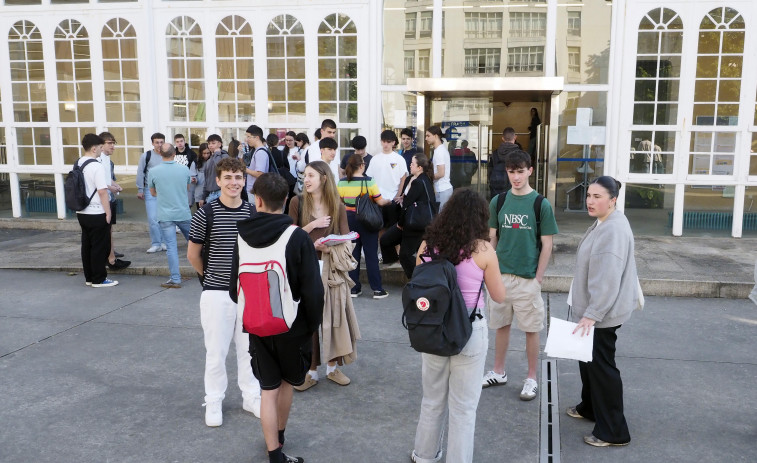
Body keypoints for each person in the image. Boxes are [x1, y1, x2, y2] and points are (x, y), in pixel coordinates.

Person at [229, 173, 323, 463]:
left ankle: (274, 453)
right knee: (286, 385)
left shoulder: (241, 236)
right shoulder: (296, 236)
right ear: (285, 202)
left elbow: (235, 289)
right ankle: (279, 437)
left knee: (267, 390)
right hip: (291, 326)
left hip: (256, 324)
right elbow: (313, 291)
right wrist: (310, 326)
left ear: (256, 200)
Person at [410, 189, 506, 463]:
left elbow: (418, 281)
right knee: (463, 407)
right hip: (469, 331)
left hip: (433, 328)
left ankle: (424, 455)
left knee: (431, 400)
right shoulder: (483, 250)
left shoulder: (428, 244)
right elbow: (499, 296)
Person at [187, 157, 261, 427]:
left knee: (249, 350)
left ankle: (251, 396)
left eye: (238, 177)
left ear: (245, 181)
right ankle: (214, 399)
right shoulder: (206, 213)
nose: (234, 182)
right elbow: (193, 254)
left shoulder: (252, 213)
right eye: (228, 177)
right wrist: (210, 277)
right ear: (217, 181)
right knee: (216, 351)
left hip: (248, 294)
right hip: (216, 292)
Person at [482, 149, 558, 401]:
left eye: (520, 171)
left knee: (531, 329)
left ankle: (531, 378)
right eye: (511, 172)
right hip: (501, 275)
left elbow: (547, 244)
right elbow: (492, 238)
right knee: (501, 325)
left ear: (530, 171)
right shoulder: (499, 201)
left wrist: (538, 278)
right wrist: (485, 270)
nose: (516, 177)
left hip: (527, 278)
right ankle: (498, 371)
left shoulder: (540, 204)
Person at [568, 176, 636, 447]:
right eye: (589, 195)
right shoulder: (606, 222)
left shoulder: (612, 230)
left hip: (602, 315)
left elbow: (607, 277)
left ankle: (614, 431)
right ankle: (590, 408)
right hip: (595, 310)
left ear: (613, 200)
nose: (590, 201)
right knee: (588, 363)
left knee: (602, 369)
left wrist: (592, 314)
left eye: (598, 196)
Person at [288, 161, 352, 391]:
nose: (306, 180)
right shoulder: (297, 202)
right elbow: (289, 235)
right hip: (305, 267)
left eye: (311, 175)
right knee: (309, 320)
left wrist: (329, 247)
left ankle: (333, 368)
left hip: (331, 267)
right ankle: (310, 371)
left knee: (334, 318)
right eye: (305, 175)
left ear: (324, 178)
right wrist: (312, 227)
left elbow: (347, 239)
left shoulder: (338, 205)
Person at [338, 153, 390, 298]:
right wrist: (389, 201)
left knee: (353, 254)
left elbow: (339, 202)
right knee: (371, 255)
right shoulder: (369, 181)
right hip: (368, 220)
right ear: (361, 166)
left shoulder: (342, 182)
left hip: (349, 220)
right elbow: (379, 202)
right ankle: (377, 289)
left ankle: (354, 288)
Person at [379, 154, 435, 278]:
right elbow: (409, 199)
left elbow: (408, 205)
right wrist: (402, 198)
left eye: (413, 163)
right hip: (411, 221)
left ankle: (417, 279)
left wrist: (400, 224)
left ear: (420, 167)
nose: (410, 165)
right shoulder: (412, 178)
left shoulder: (420, 182)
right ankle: (392, 261)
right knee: (385, 240)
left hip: (414, 223)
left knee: (405, 255)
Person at [148, 142, 192, 289]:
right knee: (195, 243)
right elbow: (187, 188)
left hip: (165, 214)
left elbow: (153, 193)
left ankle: (175, 278)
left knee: (171, 247)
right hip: (183, 212)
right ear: (175, 154)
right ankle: (207, 272)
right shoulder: (184, 169)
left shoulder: (153, 171)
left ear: (160, 154)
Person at [76, 133, 117, 288]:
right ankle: (99, 279)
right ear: (94, 148)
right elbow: (102, 191)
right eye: (100, 147)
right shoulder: (96, 166)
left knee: (86, 245)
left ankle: (89, 277)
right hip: (96, 211)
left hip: (82, 211)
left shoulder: (78, 163)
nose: (101, 150)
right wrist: (108, 212)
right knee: (99, 246)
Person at [98, 131, 130, 271]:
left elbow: (107, 177)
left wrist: (115, 185)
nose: (112, 146)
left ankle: (111, 254)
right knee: (106, 230)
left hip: (109, 198)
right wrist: (112, 188)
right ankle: (111, 260)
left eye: (113, 143)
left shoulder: (107, 160)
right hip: (102, 201)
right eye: (109, 143)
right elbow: (100, 184)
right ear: (101, 145)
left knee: (109, 229)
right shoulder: (98, 160)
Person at [366, 129, 408, 230]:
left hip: (393, 198)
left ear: (393, 142)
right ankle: (381, 246)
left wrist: (397, 196)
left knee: (394, 229)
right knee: (379, 228)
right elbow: (369, 179)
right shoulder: (375, 159)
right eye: (384, 141)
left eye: (388, 142)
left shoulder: (399, 159)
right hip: (377, 199)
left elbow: (403, 178)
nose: (385, 144)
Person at [136, 132, 167, 253]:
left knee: (165, 218)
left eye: (161, 142)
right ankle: (156, 243)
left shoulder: (168, 155)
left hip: (165, 191)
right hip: (150, 190)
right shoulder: (146, 156)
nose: (159, 145)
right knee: (153, 218)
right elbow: (140, 172)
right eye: (157, 142)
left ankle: (164, 242)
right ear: (152, 143)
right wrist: (140, 189)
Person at [425, 126, 453, 211]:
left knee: (442, 218)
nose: (426, 138)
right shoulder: (438, 150)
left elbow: (441, 173)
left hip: (443, 190)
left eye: (428, 136)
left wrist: (427, 177)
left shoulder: (440, 151)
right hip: (442, 189)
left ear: (436, 136)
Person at [488, 127, 518, 199]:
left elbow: (490, 170)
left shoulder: (495, 153)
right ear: (515, 137)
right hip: (513, 185)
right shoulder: (519, 154)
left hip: (496, 184)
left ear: (502, 138)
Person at [244, 125, 269, 202]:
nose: (247, 139)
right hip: (255, 190)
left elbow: (259, 173)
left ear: (257, 137)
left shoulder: (260, 152)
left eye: (249, 137)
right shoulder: (258, 150)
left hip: (256, 191)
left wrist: (245, 169)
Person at [202, 134, 229, 203]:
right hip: (210, 194)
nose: (210, 145)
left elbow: (220, 168)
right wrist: (203, 197)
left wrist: (217, 153)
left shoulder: (225, 156)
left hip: (221, 192)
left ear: (219, 144)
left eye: (213, 143)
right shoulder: (209, 160)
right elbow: (207, 179)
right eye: (209, 143)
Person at [190, 142, 210, 210]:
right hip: (199, 194)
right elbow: (192, 175)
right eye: (204, 153)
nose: (206, 155)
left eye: (208, 153)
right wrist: (194, 179)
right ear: (201, 153)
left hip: (211, 195)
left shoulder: (213, 161)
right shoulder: (196, 162)